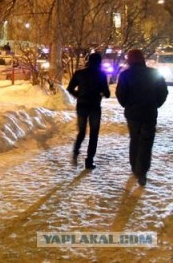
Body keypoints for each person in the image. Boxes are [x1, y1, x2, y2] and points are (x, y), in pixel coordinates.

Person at [116, 49, 168, 186]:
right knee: (146, 142)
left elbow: (120, 94)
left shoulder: (125, 75)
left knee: (134, 139)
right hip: (149, 112)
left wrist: (127, 104)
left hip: (132, 113)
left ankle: (134, 167)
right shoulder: (153, 73)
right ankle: (142, 172)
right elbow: (163, 92)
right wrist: (156, 104)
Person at [66, 52, 111, 169]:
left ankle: (76, 151)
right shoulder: (101, 75)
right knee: (94, 133)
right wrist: (101, 92)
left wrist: (79, 95)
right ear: (99, 62)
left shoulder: (79, 73)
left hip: (82, 105)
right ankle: (89, 160)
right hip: (94, 105)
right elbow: (107, 94)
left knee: (81, 131)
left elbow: (70, 88)